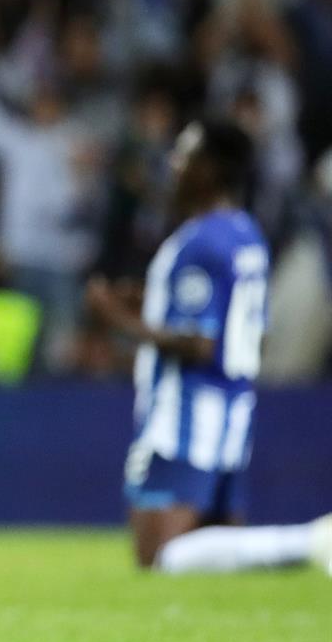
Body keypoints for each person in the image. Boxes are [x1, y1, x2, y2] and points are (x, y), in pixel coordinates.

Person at [85, 117, 332, 574]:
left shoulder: (199, 243)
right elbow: (242, 324)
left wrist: (115, 318)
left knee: (157, 556)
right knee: (219, 558)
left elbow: (200, 343)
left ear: (211, 169)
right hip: (232, 411)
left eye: (185, 154)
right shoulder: (245, 234)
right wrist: (149, 299)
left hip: (184, 416)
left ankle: (310, 541)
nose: (174, 164)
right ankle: (306, 545)